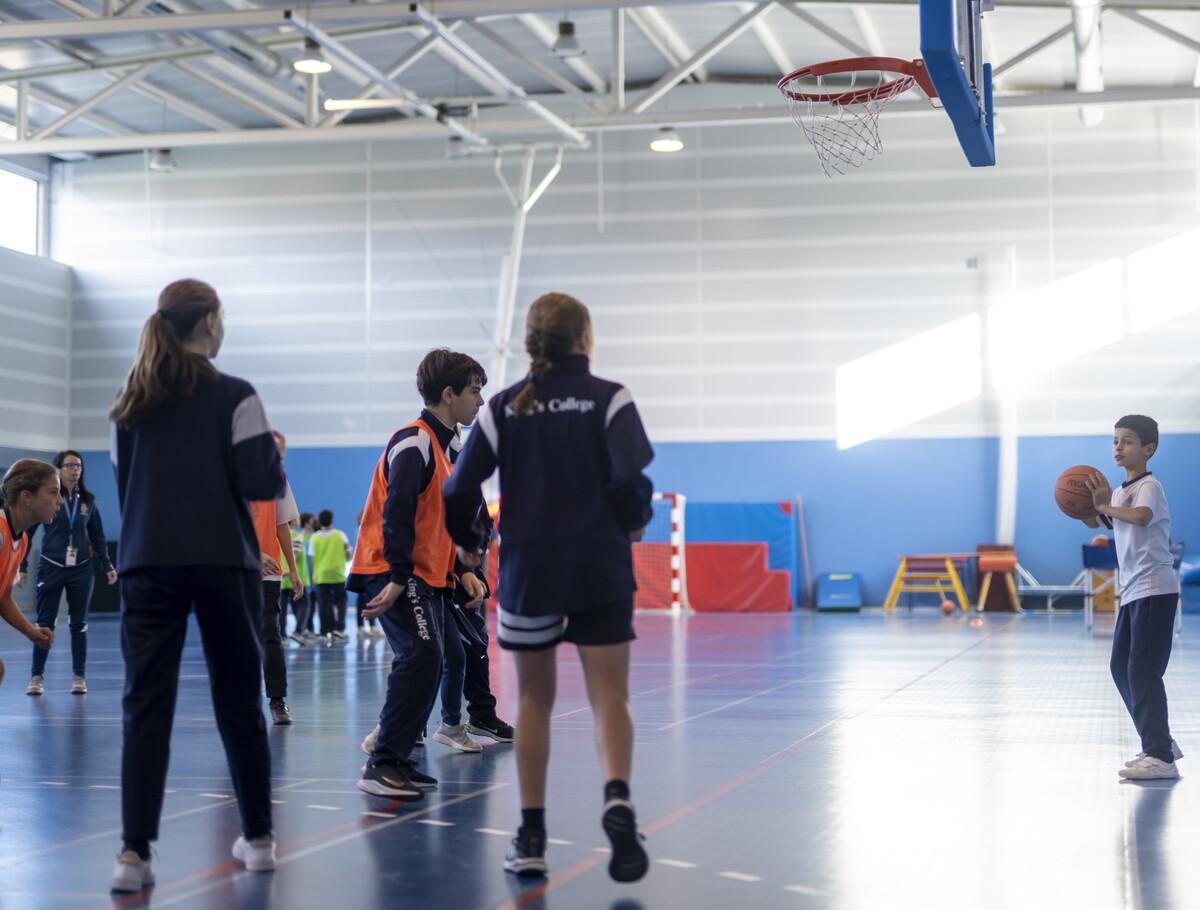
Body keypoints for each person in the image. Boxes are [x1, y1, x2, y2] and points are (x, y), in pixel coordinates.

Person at [444, 292, 654, 882]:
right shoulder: (610, 397)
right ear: (585, 338)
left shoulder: (505, 406)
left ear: (534, 340)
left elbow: (459, 490)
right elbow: (633, 482)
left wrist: (470, 545)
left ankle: (531, 835)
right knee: (610, 695)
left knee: (534, 701)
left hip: (531, 568)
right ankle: (616, 798)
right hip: (600, 565)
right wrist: (632, 525)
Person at [108, 278, 284, 893]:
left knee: (144, 703)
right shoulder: (237, 395)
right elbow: (263, 484)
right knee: (239, 698)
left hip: (147, 562)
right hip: (223, 560)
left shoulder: (130, 405)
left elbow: (128, 488)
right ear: (209, 323)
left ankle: (133, 856)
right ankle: (259, 840)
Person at [348, 349, 488, 799]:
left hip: (424, 576)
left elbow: (436, 524)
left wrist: (459, 572)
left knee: (441, 654)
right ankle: (382, 762)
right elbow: (398, 512)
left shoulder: (445, 449)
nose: (480, 402)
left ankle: (400, 758)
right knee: (422, 655)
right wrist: (396, 576)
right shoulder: (415, 440)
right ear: (448, 395)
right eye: (474, 392)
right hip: (391, 570)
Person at [1085, 415, 1183, 780]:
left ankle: (1160, 756)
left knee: (1143, 670)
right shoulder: (1117, 493)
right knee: (1120, 667)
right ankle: (1159, 739)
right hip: (1133, 591)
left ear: (1148, 449)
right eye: (1115, 441)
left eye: (1127, 441)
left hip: (1155, 588)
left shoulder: (1149, 487)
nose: (1118, 448)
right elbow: (1101, 522)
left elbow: (1140, 518)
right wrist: (1086, 505)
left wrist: (1103, 506)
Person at [21, 450, 117, 696]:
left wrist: (106, 565)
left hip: (81, 570)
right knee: (44, 624)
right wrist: (22, 567)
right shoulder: (48, 498)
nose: (76, 469)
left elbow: (97, 535)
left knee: (79, 624)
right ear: (58, 469)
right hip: (51, 567)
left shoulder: (88, 501)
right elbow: (28, 533)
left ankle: (79, 676)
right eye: (70, 465)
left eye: (79, 465)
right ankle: (36, 677)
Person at [249, 445, 302, 725]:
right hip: (234, 570)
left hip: (269, 574)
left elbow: (283, 525)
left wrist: (293, 570)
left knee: (271, 635)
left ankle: (277, 700)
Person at [0, 460, 57, 686]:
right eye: (53, 493)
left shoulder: (21, 541)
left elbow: (3, 599)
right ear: (27, 496)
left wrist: (30, 632)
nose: (60, 501)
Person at [310, 509, 351, 642]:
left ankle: (324, 630)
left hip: (321, 575)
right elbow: (348, 553)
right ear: (332, 520)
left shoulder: (314, 537)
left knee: (323, 604)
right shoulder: (340, 535)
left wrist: (314, 576)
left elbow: (312, 559)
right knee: (341, 602)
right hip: (337, 574)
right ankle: (339, 629)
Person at [283, 511, 317, 645]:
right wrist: (289, 571)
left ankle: (283, 635)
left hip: (282, 579)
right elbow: (295, 556)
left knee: (283, 609)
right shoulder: (297, 536)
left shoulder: (277, 536)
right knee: (305, 605)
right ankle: (299, 631)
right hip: (296, 577)